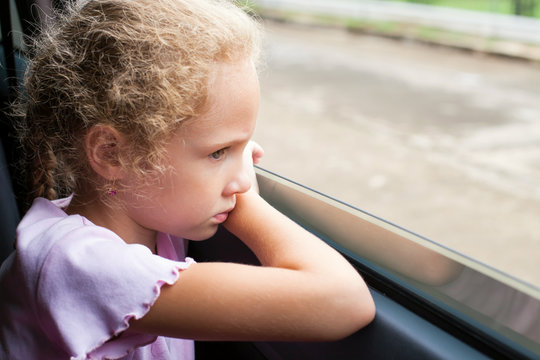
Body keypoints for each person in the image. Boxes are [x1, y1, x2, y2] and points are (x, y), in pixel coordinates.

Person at [0, 0, 375, 358]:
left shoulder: (154, 215)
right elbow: (343, 301)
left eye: (244, 148)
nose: (244, 179)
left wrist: (226, 162)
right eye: (218, 152)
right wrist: (247, 204)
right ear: (112, 153)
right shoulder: (77, 265)